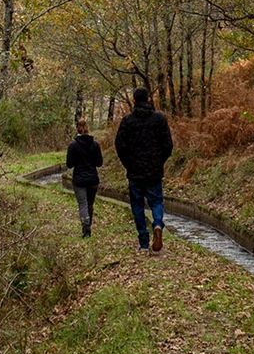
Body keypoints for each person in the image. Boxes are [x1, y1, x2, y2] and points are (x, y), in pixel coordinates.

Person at [114, 86, 173, 253]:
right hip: (154, 170)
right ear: (148, 99)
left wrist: (128, 164)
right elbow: (168, 145)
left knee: (137, 206)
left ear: (134, 100)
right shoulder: (159, 119)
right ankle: (157, 224)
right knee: (156, 201)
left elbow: (119, 146)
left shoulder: (127, 121)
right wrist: (159, 161)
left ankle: (144, 243)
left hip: (135, 172)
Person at [64, 119, 102, 238]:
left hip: (79, 180)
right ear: (87, 128)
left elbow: (69, 164)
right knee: (90, 204)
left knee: (83, 204)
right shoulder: (95, 144)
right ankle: (88, 226)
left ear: (77, 129)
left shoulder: (73, 145)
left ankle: (86, 229)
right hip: (92, 179)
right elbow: (99, 163)